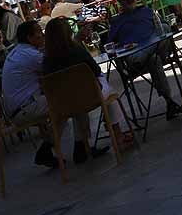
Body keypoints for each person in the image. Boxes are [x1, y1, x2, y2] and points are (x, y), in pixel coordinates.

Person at [42, 18, 131, 159]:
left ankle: (82, 145)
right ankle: (117, 134)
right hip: (91, 97)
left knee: (77, 98)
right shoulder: (76, 51)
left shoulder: (46, 61)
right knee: (108, 89)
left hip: (63, 104)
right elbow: (95, 70)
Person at [108, 0, 182, 119]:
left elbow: (165, 28)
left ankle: (147, 52)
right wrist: (121, 67)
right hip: (135, 58)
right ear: (120, 2)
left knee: (163, 31)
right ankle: (169, 102)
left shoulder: (148, 11)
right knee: (154, 60)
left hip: (155, 50)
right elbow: (110, 46)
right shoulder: (116, 21)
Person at [0, 20, 59, 167]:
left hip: (16, 109)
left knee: (62, 101)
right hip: (24, 109)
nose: (42, 35)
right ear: (29, 37)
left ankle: (48, 147)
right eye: (39, 32)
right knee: (68, 101)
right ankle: (77, 146)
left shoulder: (17, 51)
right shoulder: (31, 55)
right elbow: (55, 68)